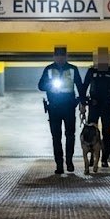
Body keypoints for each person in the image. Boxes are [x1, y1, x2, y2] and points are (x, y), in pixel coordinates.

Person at [37, 46, 86, 175]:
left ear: (66, 57)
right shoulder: (48, 69)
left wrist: (83, 104)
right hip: (54, 107)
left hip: (69, 107)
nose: (60, 58)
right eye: (58, 56)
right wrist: (50, 86)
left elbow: (80, 87)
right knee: (56, 137)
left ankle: (69, 162)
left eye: (62, 56)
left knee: (70, 135)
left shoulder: (73, 69)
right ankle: (59, 164)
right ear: (54, 57)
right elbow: (40, 85)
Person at [83, 47, 110, 167]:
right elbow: (84, 87)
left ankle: (104, 159)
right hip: (94, 105)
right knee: (92, 132)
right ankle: (92, 157)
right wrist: (83, 103)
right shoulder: (92, 71)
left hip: (107, 105)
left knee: (106, 133)